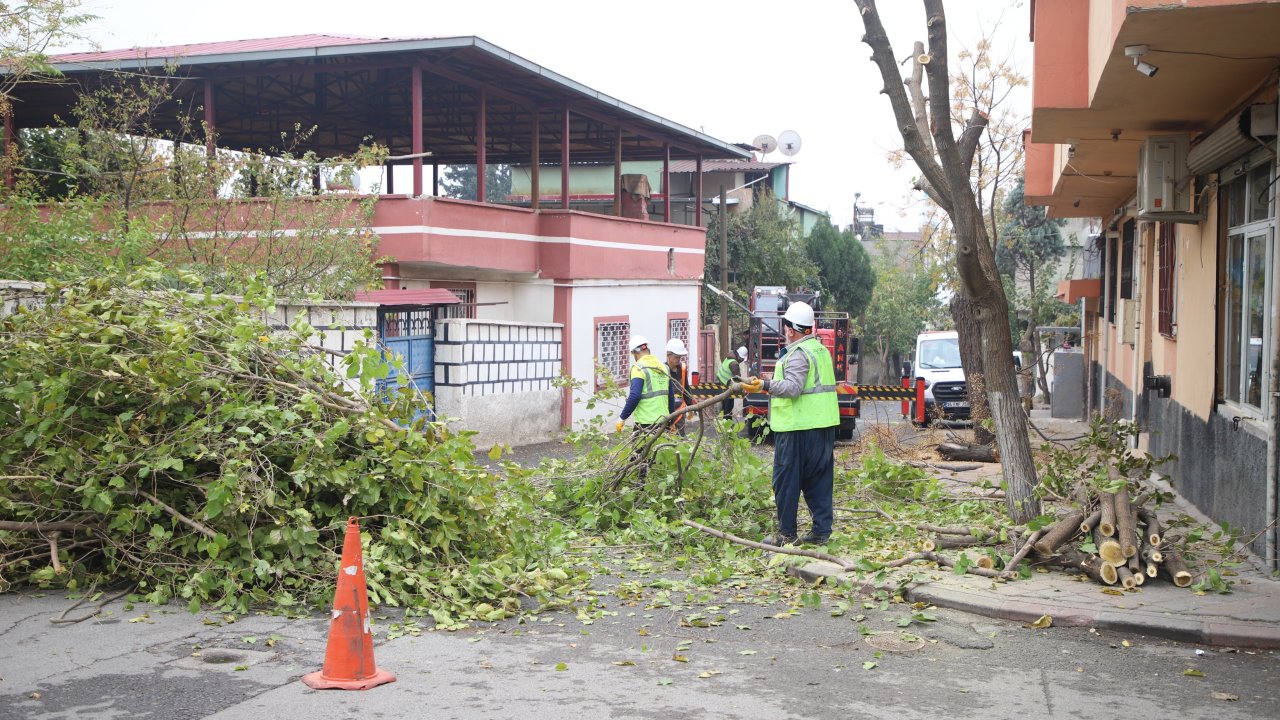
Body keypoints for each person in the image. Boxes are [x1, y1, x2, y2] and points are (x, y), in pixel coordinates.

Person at [742, 302, 837, 546]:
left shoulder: (798, 354)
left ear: (791, 330)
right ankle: (821, 532)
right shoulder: (820, 350)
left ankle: (786, 534)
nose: (784, 331)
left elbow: (793, 388)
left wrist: (764, 385)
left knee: (786, 481)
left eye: (785, 327)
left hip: (797, 430)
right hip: (823, 426)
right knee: (818, 480)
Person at [615, 335, 670, 434]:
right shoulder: (664, 368)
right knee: (663, 449)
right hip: (664, 421)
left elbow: (635, 396)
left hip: (645, 424)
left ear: (635, 353)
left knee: (639, 449)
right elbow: (670, 396)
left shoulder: (638, 368)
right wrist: (671, 420)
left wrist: (622, 418)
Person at [664, 338, 693, 434]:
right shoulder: (662, 370)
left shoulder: (682, 369)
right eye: (676, 357)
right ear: (668, 354)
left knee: (679, 438)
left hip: (680, 410)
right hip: (666, 411)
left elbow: (686, 389)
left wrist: (691, 407)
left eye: (680, 357)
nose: (678, 360)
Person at [716, 346, 748, 421]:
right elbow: (738, 379)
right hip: (726, 385)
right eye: (742, 359)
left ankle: (724, 422)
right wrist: (743, 390)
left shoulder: (730, 356)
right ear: (740, 357)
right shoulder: (734, 364)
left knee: (724, 405)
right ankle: (727, 424)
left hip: (722, 381)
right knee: (729, 406)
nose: (742, 361)